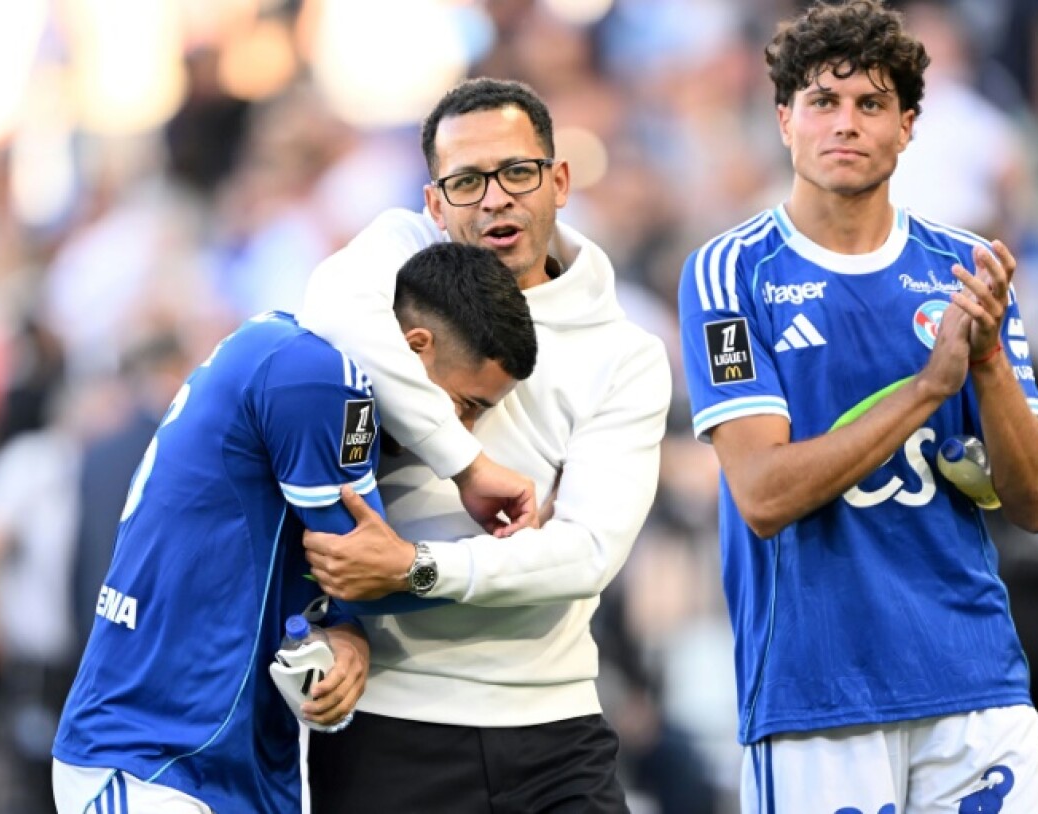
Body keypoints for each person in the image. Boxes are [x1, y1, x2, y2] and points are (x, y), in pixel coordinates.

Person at [676, 2, 1038, 812]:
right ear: (784, 120)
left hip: (975, 679)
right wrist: (929, 388)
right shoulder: (729, 274)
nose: (845, 124)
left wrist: (987, 360)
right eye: (823, 102)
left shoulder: (969, 269)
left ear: (908, 125)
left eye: (871, 104)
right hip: (819, 696)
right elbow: (763, 495)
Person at [51, 242, 538, 814]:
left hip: (238, 762)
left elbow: (331, 575)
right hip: (153, 757)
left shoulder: (280, 346)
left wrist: (349, 627)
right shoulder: (319, 377)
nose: (465, 430)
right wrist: (528, 566)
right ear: (415, 347)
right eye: (465, 404)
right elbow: (361, 566)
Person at [296, 77, 671, 812]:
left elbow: (589, 551)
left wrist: (416, 568)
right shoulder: (401, 254)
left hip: (554, 727)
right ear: (434, 204)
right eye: (466, 182)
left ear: (559, 180)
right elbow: (330, 305)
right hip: (388, 719)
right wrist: (467, 464)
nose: (494, 198)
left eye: (517, 172)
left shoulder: (625, 352)